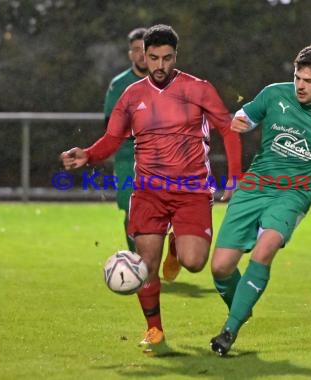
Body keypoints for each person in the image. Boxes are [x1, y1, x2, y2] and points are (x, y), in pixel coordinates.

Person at [61, 24, 242, 353]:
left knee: (195, 262)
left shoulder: (198, 89)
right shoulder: (131, 95)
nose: (160, 65)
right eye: (154, 57)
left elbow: (228, 130)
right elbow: (114, 138)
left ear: (176, 57)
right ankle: (155, 328)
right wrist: (88, 154)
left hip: (191, 190)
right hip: (148, 191)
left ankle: (177, 244)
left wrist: (234, 176)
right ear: (143, 56)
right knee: (145, 264)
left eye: (167, 58)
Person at [209, 44, 311, 356]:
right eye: (298, 77)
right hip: (254, 187)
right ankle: (243, 305)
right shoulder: (275, 93)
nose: (300, 85)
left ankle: (229, 330)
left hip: (292, 194)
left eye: (309, 81)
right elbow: (248, 114)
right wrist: (241, 119)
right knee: (220, 268)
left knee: (265, 248)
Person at [103, 27, 148, 253]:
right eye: (136, 50)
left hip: (164, 156)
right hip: (127, 157)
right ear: (130, 54)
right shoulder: (119, 84)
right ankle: (136, 260)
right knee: (132, 209)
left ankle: (172, 248)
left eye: (144, 49)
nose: (141, 54)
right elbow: (110, 125)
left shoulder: (168, 81)